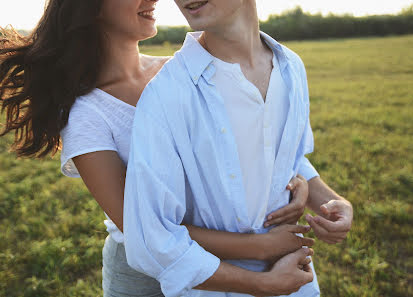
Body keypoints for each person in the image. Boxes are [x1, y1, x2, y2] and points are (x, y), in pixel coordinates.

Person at [0, 0, 317, 296]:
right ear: (91, 7)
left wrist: (294, 181)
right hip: (143, 278)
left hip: (227, 255)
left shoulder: (182, 73)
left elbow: (248, 146)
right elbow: (143, 230)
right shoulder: (87, 114)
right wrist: (260, 248)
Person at [124, 0, 353, 296]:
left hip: (298, 282)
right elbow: (151, 239)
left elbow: (289, 161)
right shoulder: (167, 94)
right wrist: (262, 283)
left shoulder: (291, 67)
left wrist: (336, 202)